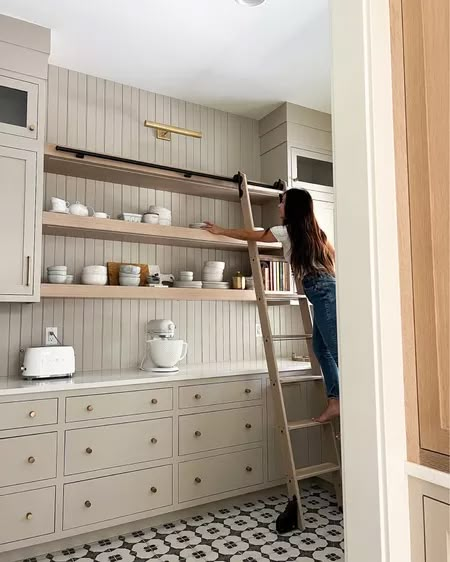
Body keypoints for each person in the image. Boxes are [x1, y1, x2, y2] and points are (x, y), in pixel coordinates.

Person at [203, 188, 339, 422]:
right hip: (324, 289)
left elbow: (250, 234)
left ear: (292, 208)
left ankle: (355, 400)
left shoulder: (285, 232)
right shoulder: (317, 234)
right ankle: (335, 401)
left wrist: (221, 230)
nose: (279, 206)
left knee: (336, 349)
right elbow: (333, 259)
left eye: (282, 202)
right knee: (322, 348)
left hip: (321, 290)